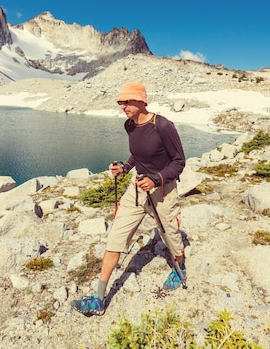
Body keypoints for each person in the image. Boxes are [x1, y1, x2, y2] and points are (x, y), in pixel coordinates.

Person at [70, 82, 187, 316]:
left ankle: (179, 269)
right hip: (135, 190)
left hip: (162, 191)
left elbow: (179, 162)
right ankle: (99, 299)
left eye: (127, 101)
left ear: (142, 101)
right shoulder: (130, 125)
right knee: (116, 237)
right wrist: (125, 167)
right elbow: (137, 153)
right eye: (120, 102)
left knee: (171, 236)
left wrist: (157, 179)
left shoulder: (163, 126)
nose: (122, 106)